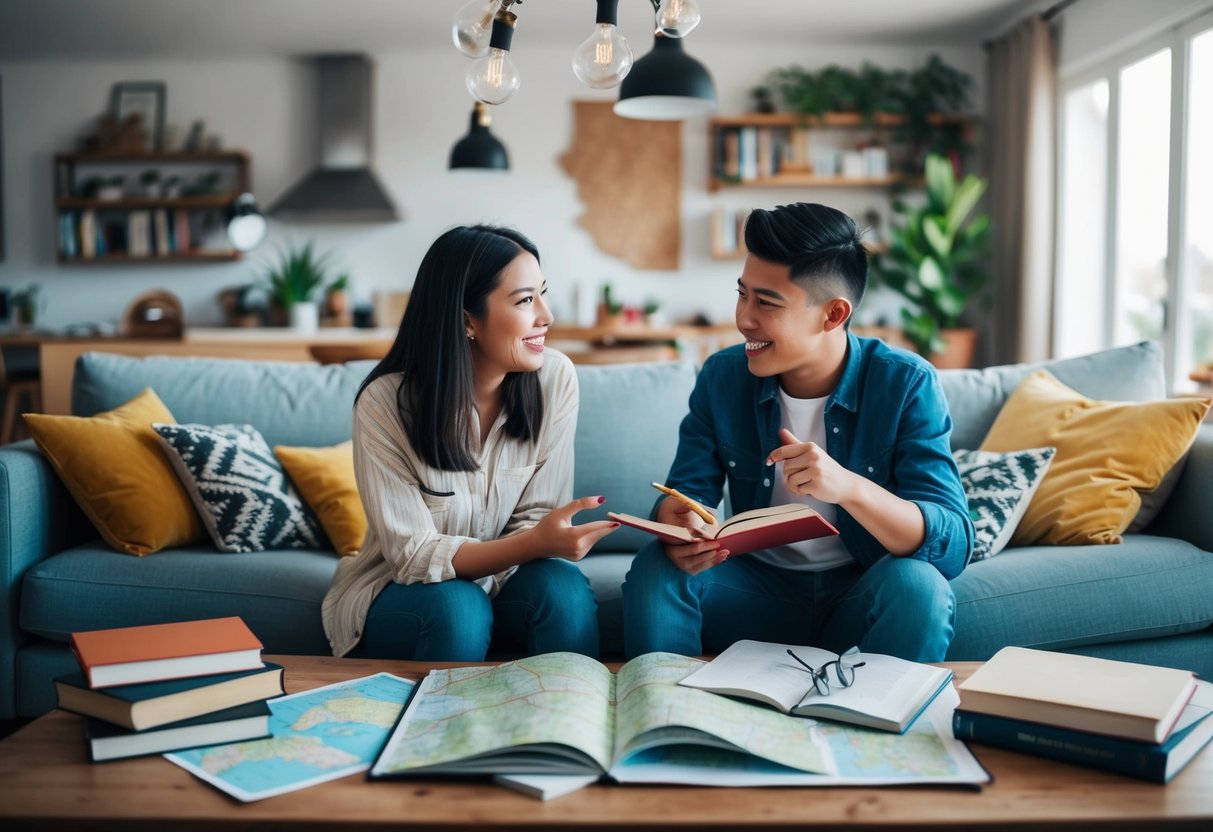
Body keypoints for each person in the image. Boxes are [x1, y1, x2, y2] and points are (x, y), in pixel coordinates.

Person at [622, 202, 973, 663]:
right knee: (656, 567)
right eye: (742, 293)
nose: (744, 318)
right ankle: (668, 719)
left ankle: (882, 728)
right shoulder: (723, 376)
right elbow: (688, 490)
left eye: (766, 302)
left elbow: (951, 546)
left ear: (832, 314)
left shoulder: (906, 383)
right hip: (751, 592)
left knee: (919, 585)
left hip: (858, 593)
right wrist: (677, 519)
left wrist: (849, 488)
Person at [323, 224, 618, 661]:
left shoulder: (555, 379)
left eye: (543, 293)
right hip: (407, 594)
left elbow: (535, 518)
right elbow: (413, 556)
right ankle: (446, 727)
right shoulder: (385, 403)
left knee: (562, 588)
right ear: (467, 320)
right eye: (524, 301)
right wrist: (536, 543)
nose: (546, 316)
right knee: (459, 608)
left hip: (502, 585)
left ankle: (570, 722)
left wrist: (539, 542)